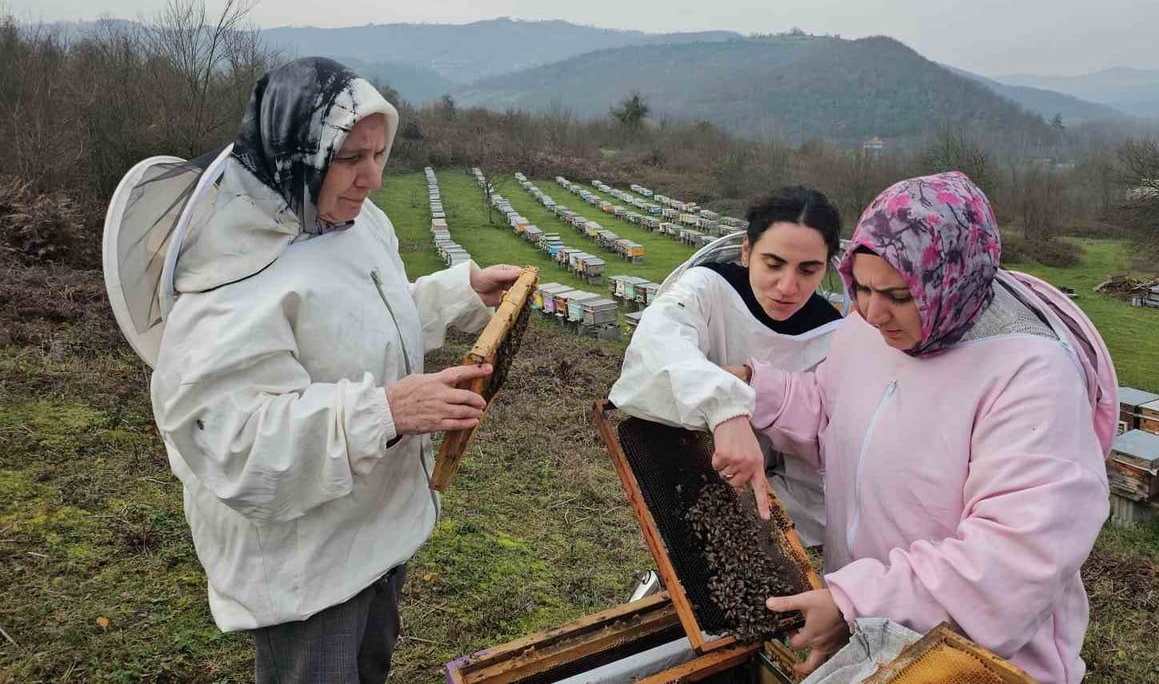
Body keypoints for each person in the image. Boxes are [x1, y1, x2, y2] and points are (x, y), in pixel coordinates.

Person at [144, 58, 525, 682]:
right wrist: (388, 411)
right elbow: (235, 441)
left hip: (373, 529)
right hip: (304, 571)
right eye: (351, 157)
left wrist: (461, 292)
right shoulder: (228, 279)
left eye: (379, 153)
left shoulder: (355, 223)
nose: (372, 177)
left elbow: (365, 316)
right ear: (298, 153)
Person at [721, 172, 1117, 683]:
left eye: (898, 296)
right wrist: (756, 388)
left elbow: (1014, 560)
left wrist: (854, 602)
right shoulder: (865, 328)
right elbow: (834, 414)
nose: (871, 311)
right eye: (860, 288)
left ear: (949, 283)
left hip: (977, 666)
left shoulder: (1031, 376)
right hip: (871, 635)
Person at [609, 186, 843, 539]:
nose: (787, 286)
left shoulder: (832, 337)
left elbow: (819, 465)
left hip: (764, 505)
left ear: (826, 267)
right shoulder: (706, 288)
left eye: (808, 271)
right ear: (747, 251)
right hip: (674, 471)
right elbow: (660, 342)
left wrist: (749, 516)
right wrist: (725, 410)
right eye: (773, 264)